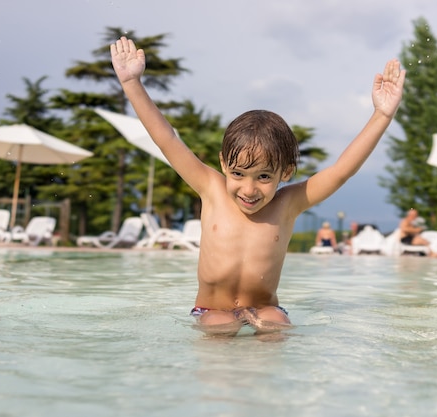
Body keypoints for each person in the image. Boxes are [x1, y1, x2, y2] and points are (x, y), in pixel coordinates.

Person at [110, 36, 406, 336]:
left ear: (286, 172)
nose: (249, 190)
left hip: (267, 307)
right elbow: (167, 139)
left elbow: (342, 171)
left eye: (264, 177)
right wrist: (132, 82)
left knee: (275, 325)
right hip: (212, 309)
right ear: (224, 164)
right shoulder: (210, 187)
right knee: (220, 327)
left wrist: (382, 115)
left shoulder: (289, 203)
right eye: (238, 174)